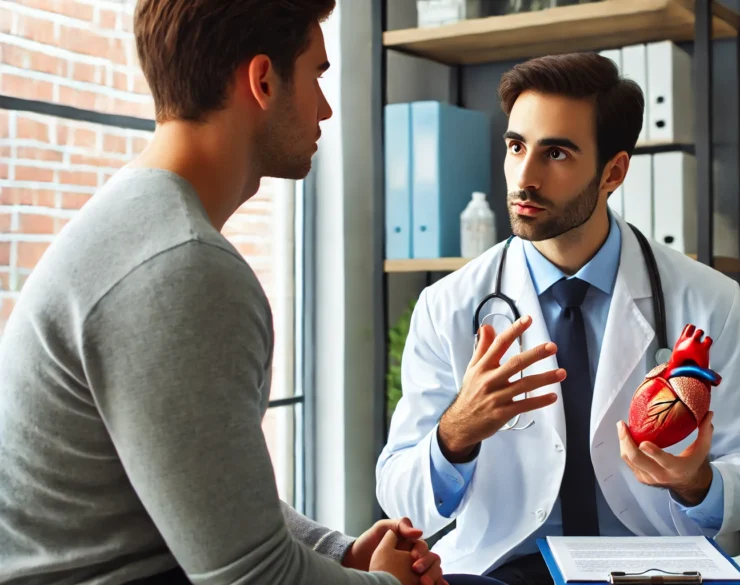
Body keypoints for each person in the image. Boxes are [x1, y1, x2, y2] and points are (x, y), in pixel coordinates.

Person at [0, 2, 503, 585]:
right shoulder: (182, 269)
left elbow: (210, 493)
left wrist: (339, 554)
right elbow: (252, 579)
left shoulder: (141, 225)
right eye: (317, 75)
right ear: (263, 81)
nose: (326, 107)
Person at [375, 52, 740, 584]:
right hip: (500, 568)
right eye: (516, 146)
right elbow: (400, 494)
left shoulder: (710, 299)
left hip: (653, 568)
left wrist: (698, 484)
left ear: (613, 172)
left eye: (557, 154)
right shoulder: (448, 305)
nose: (524, 178)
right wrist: (456, 433)